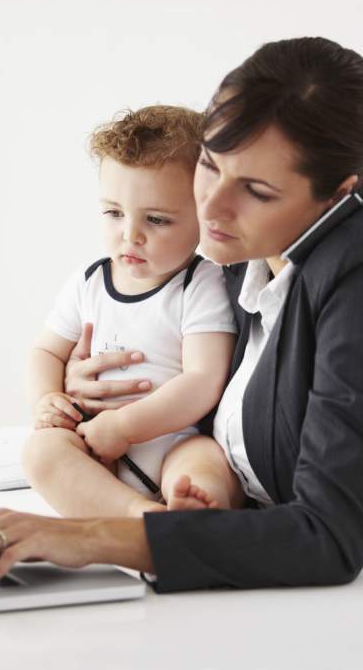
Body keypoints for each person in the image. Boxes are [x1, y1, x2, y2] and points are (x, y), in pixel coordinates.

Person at [0, 37, 363, 628]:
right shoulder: (244, 257)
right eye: (210, 165)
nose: (211, 208)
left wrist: (93, 537)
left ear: (337, 194)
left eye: (256, 190)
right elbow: (211, 386)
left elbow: (329, 537)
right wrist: (87, 381)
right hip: (288, 600)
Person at [23, 105, 243, 517]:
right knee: (42, 452)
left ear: (204, 214)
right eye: (114, 213)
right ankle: (137, 514)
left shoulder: (201, 284)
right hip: (93, 439)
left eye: (156, 219)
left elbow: (203, 379)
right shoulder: (89, 281)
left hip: (173, 440)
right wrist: (47, 398)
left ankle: (191, 506)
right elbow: (46, 351)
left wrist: (126, 427)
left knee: (206, 461)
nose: (130, 234)